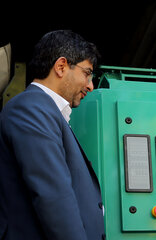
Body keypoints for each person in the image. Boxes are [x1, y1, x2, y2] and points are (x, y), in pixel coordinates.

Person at [0, 30, 105, 240]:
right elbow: (53, 196)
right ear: (61, 66)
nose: (90, 86)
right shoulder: (30, 108)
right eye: (86, 73)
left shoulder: (44, 111)